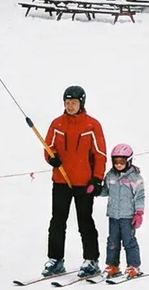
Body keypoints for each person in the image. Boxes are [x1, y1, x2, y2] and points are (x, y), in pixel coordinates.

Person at [41, 85, 108, 277]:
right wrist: (51, 157)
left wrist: (97, 179)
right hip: (61, 180)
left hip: (84, 183)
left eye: (74, 103)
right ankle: (55, 260)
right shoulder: (57, 124)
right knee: (57, 221)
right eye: (67, 102)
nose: (70, 106)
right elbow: (48, 146)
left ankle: (91, 260)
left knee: (84, 221)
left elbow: (100, 154)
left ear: (82, 103)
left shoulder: (92, 125)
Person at [97, 143, 145, 279]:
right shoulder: (110, 175)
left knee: (129, 241)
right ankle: (113, 265)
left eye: (122, 162)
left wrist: (139, 213)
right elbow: (106, 190)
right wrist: (96, 190)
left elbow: (140, 196)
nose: (118, 165)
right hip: (113, 215)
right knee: (112, 241)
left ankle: (133, 266)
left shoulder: (135, 178)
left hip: (128, 216)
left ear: (129, 161)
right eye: (116, 161)